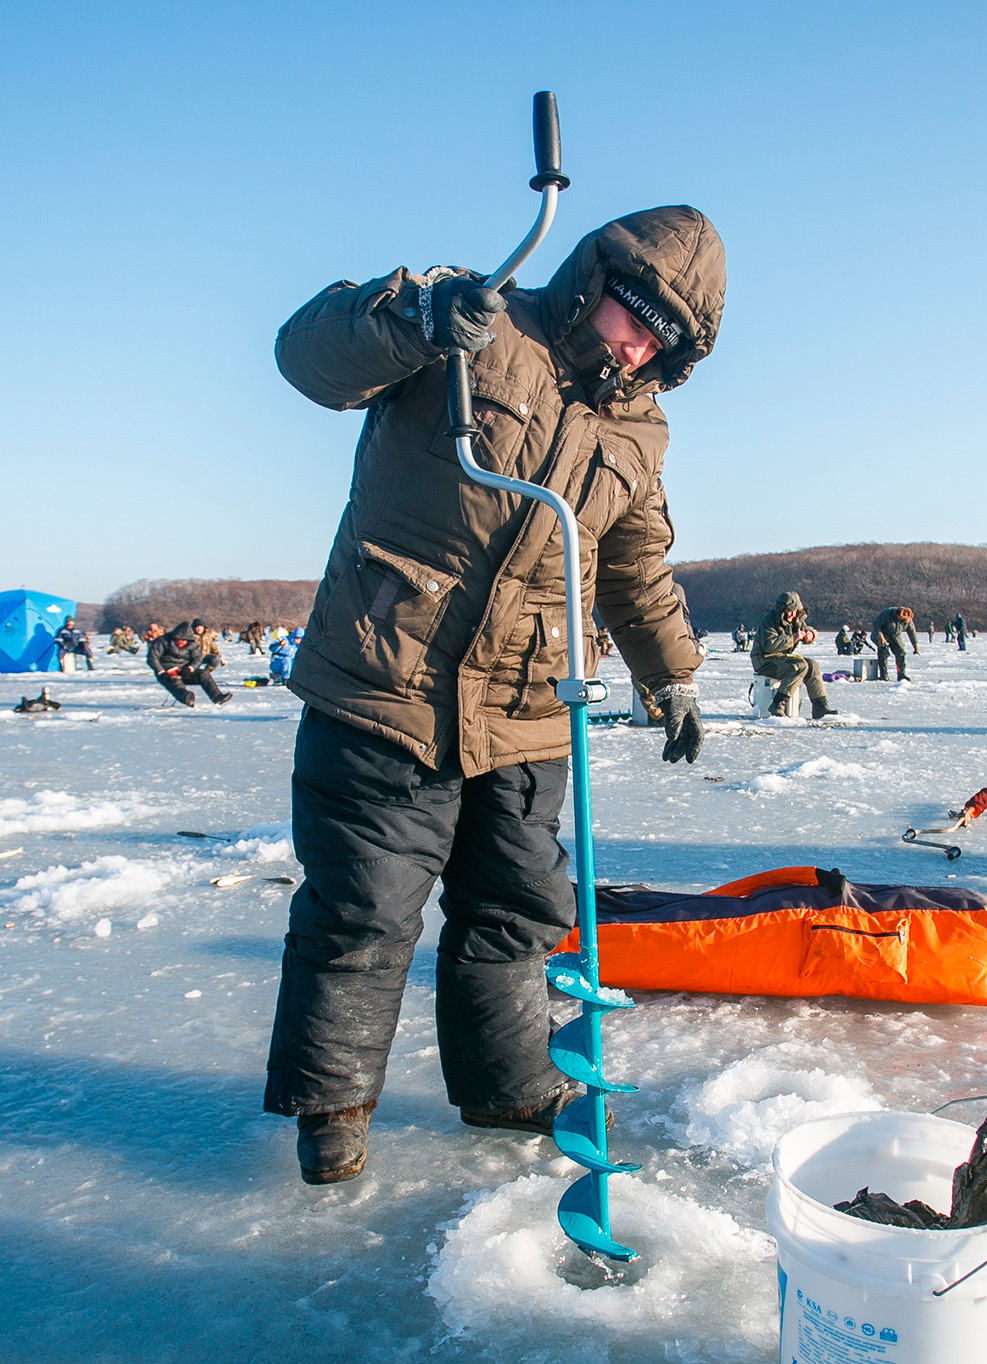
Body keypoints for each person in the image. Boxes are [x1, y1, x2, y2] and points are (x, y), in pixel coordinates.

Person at [264, 205, 725, 1185]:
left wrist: (671, 674)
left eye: (664, 341)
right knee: (364, 905)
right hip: (389, 680)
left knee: (515, 908)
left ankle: (507, 1084)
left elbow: (635, 566)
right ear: (596, 281)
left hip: (529, 707)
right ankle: (332, 1108)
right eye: (636, 316)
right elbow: (309, 357)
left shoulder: (640, 431)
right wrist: (416, 319)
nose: (638, 345)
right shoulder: (478, 321)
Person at [751, 592, 836, 719]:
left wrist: (811, 635)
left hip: (780, 658)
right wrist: (794, 637)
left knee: (812, 665)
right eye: (788, 611)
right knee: (799, 666)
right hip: (764, 660)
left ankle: (820, 706)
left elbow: (808, 629)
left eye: (794, 611)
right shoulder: (769, 621)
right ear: (781, 610)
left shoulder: (796, 620)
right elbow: (770, 646)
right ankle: (778, 704)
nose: (792, 614)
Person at [146, 620, 234, 706]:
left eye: (183, 641)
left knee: (203, 674)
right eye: (178, 640)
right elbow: (152, 658)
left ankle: (217, 696)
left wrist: (190, 668)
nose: (181, 642)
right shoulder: (162, 641)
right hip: (166, 671)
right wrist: (161, 671)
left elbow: (197, 658)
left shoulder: (191, 644)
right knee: (175, 683)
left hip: (184, 669)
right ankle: (186, 697)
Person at [872, 605, 920, 681]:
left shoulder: (908, 618)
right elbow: (876, 624)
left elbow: (912, 632)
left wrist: (915, 645)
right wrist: (880, 637)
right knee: (884, 652)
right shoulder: (887, 614)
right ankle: (883, 675)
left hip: (895, 635)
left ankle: (901, 675)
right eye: (901, 620)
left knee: (901, 652)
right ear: (897, 615)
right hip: (882, 633)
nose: (901, 622)